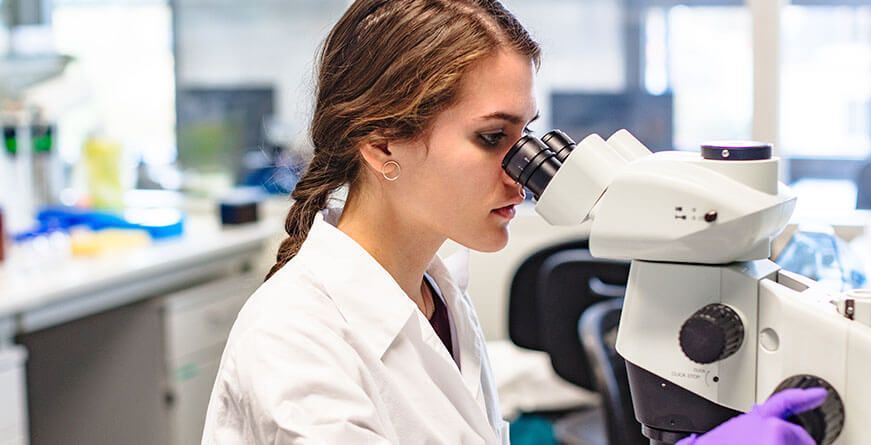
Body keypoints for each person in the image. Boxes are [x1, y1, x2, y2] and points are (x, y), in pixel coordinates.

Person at [202, 1, 826, 444]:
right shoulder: (295, 342)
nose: (522, 172)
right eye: (493, 136)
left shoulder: (437, 288)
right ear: (383, 144)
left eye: (527, 135)